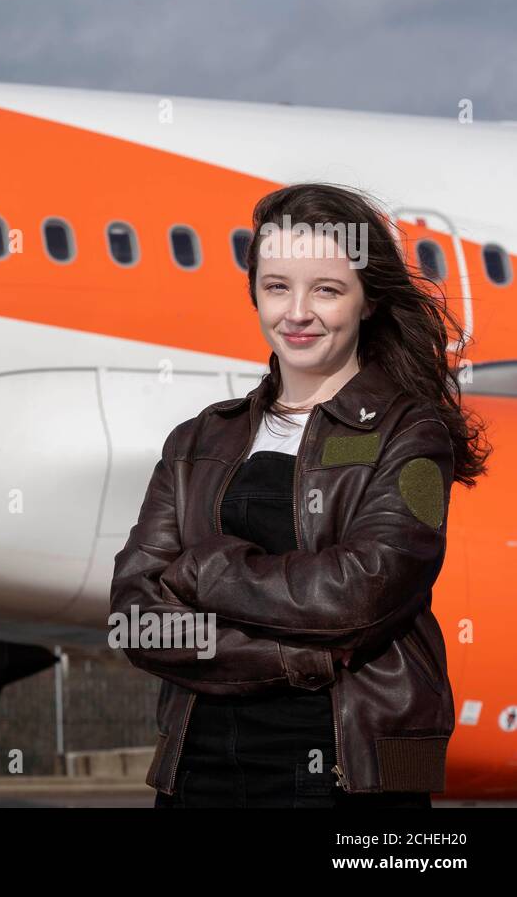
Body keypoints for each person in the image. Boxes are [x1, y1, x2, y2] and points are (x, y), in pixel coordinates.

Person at [110, 182, 490, 807]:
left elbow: (359, 595)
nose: (298, 312)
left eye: (327, 289)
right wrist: (301, 661)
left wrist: (205, 571)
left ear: (367, 302)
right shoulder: (198, 440)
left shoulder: (410, 434)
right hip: (201, 771)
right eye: (277, 286)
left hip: (362, 776)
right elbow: (136, 618)